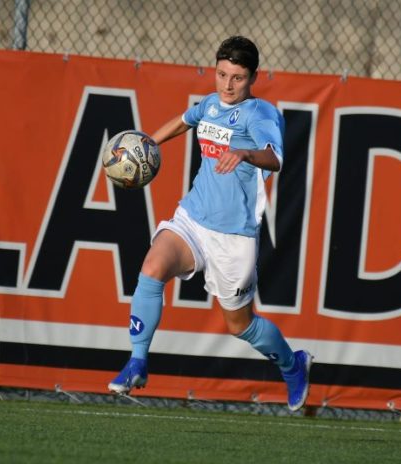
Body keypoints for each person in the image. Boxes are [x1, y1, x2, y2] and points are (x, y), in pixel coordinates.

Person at [108, 36, 313, 412]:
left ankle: (292, 364)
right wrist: (146, 145)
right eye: (221, 74)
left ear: (253, 77)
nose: (227, 85)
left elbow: (275, 158)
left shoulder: (260, 114)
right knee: (152, 268)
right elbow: (187, 120)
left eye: (237, 77)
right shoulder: (210, 104)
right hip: (193, 218)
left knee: (240, 325)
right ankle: (137, 361)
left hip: (234, 237)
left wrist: (244, 152)